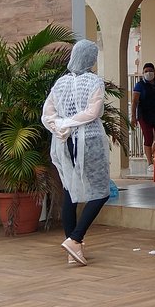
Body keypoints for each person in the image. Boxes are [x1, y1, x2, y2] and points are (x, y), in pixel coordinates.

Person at [41, 40, 110, 266]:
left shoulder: (59, 84)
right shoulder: (94, 81)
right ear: (91, 58)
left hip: (63, 142)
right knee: (101, 191)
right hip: (89, 140)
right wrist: (69, 123)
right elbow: (93, 112)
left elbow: (47, 113)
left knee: (70, 190)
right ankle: (75, 239)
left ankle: (73, 250)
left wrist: (60, 126)